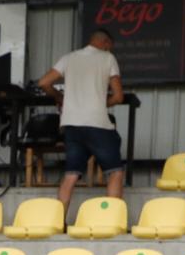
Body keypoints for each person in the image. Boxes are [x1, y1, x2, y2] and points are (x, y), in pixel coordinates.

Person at [37, 30, 125, 217]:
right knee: (115, 172)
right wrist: (102, 103)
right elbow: (118, 96)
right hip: (97, 124)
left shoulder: (69, 58)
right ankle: (111, 220)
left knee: (71, 174)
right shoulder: (108, 58)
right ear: (106, 43)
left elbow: (44, 83)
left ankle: (58, 221)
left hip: (72, 124)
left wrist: (60, 97)